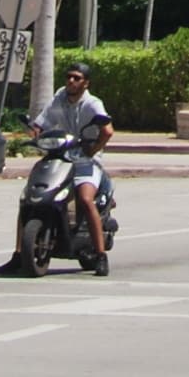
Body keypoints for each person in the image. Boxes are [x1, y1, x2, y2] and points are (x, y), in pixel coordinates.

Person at [34, 62, 114, 274]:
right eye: (69, 76)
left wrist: (92, 150)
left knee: (86, 199)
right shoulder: (59, 97)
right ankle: (17, 255)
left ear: (86, 83)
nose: (71, 81)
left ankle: (100, 255)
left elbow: (107, 130)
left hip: (87, 160)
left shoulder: (93, 104)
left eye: (77, 78)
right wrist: (37, 137)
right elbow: (41, 124)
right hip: (61, 155)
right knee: (31, 197)